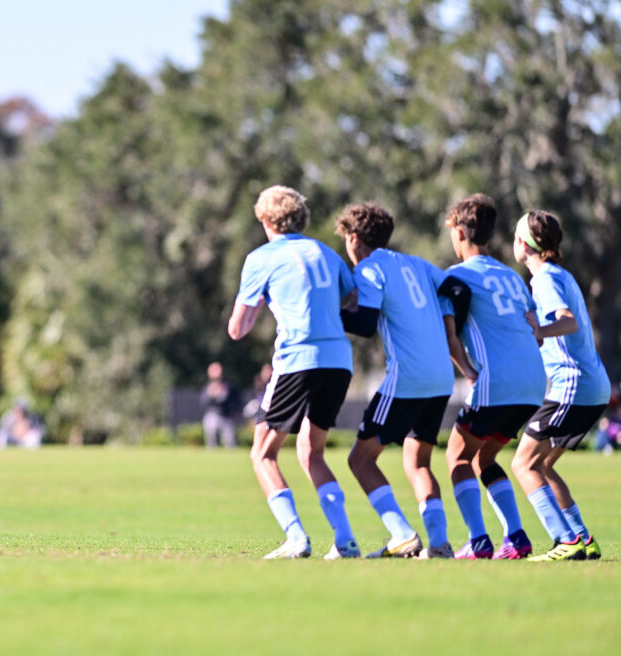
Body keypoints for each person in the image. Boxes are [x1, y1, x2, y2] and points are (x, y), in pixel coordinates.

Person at [228, 185, 359, 560]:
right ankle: (345, 540)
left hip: (297, 361)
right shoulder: (326, 252)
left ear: (265, 220)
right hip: (338, 361)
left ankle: (296, 537)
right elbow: (352, 299)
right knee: (311, 452)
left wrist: (261, 302)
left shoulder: (262, 258)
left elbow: (237, 328)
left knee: (263, 453)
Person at [336, 202, 469, 559]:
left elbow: (365, 324)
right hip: (441, 377)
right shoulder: (416, 263)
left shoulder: (369, 268)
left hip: (408, 378)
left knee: (360, 460)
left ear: (354, 239)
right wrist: (449, 330)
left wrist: (327, 312)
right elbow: (459, 290)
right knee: (418, 461)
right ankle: (439, 544)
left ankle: (402, 534)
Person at [441, 194, 545, 559]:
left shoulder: (455, 277)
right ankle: (516, 537)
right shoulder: (511, 276)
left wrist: (469, 372)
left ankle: (478, 540)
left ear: (459, 232)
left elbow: (449, 336)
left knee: (457, 457)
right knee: (483, 458)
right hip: (533, 383)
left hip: (497, 381)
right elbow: (534, 331)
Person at [510, 210, 610, 561]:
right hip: (593, 386)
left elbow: (567, 322)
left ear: (524, 245)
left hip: (574, 385)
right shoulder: (560, 275)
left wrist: (540, 330)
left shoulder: (544, 279)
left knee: (523, 464)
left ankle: (565, 541)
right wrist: (540, 335)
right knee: (542, 466)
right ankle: (582, 539)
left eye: (516, 236)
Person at [200, 361, 241, 448]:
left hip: (226, 416)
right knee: (211, 430)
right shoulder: (208, 387)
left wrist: (233, 411)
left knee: (230, 441)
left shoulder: (229, 386)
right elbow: (204, 402)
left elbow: (236, 401)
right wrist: (211, 394)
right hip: (213, 415)